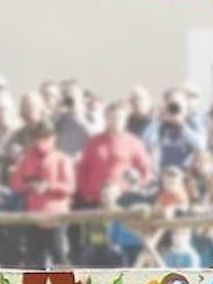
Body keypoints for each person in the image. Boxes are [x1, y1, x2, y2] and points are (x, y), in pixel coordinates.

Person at [9, 123, 75, 267]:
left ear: (54, 138)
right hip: (33, 214)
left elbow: (70, 187)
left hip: (56, 216)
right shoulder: (27, 159)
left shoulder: (62, 159)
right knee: (33, 259)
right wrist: (29, 186)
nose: (42, 141)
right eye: (39, 137)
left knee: (59, 257)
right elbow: (15, 183)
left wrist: (49, 187)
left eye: (46, 137)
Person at [76, 102, 153, 209]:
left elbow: (146, 170)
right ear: (106, 119)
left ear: (125, 119)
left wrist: (133, 190)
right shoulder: (94, 142)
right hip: (96, 200)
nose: (115, 120)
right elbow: (83, 169)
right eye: (111, 117)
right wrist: (86, 192)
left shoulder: (134, 142)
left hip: (124, 200)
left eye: (119, 117)